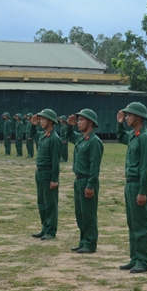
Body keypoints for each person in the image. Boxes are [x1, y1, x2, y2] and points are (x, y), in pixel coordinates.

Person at [116, 102, 147, 273]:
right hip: (130, 184)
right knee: (132, 223)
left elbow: (146, 169)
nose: (126, 118)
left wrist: (142, 191)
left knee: (141, 224)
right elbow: (121, 138)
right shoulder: (134, 135)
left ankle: (143, 260)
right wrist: (119, 124)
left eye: (129, 115)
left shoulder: (145, 138)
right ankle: (135, 258)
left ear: (139, 117)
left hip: (139, 184)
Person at [65, 109, 104, 254]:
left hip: (87, 180)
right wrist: (69, 125)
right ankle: (83, 241)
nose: (78, 123)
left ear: (91, 123)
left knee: (88, 214)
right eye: (78, 120)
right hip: (78, 180)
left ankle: (90, 243)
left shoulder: (94, 142)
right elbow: (68, 135)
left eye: (82, 120)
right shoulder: (81, 139)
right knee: (80, 213)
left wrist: (91, 185)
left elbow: (94, 166)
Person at [31, 109, 62, 241]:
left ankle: (51, 230)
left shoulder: (54, 138)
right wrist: (32, 125)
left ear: (50, 121)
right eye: (40, 119)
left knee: (50, 204)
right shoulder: (43, 135)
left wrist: (54, 179)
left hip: (49, 173)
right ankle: (45, 227)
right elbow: (32, 134)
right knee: (41, 203)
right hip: (40, 173)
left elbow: (56, 161)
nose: (40, 121)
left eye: (43, 119)